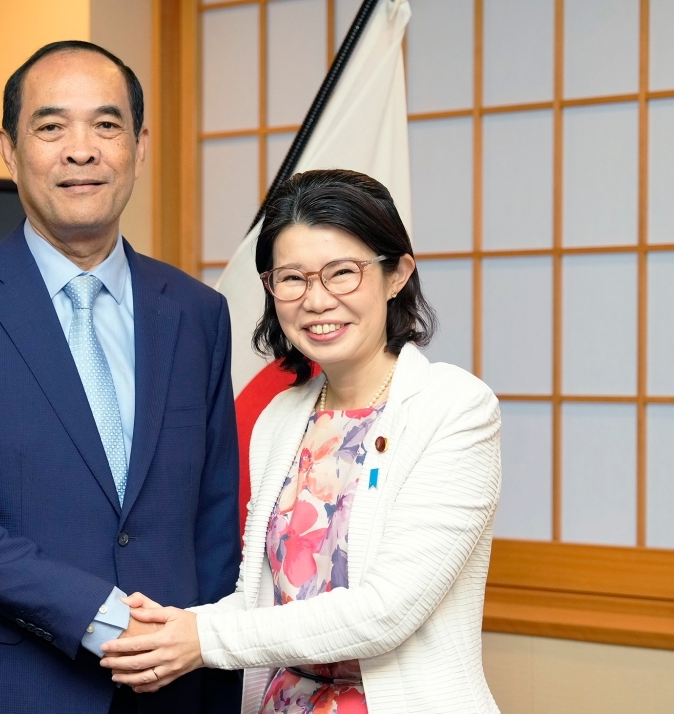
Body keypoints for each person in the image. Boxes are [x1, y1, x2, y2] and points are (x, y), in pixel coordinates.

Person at [0, 40, 242, 714]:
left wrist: (210, 663)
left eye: (106, 126)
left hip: (172, 688)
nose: (81, 150)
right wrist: (100, 614)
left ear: (139, 147)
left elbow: (214, 520)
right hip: (1, 689)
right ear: (8, 147)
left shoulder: (198, 313)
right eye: (51, 127)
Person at [101, 169, 503, 714]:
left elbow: (387, 612)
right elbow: (255, 600)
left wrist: (200, 641)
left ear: (396, 275)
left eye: (342, 273)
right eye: (292, 278)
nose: (316, 300)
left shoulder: (453, 407)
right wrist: (172, 628)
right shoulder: (282, 416)